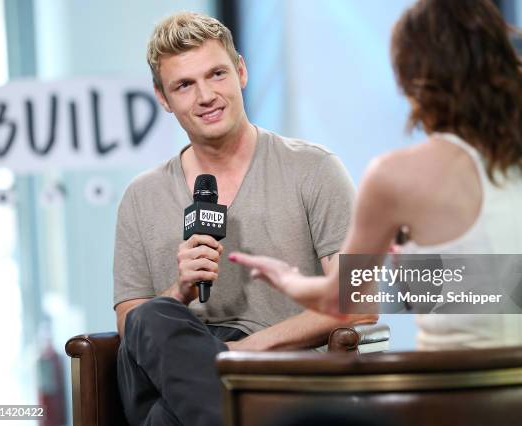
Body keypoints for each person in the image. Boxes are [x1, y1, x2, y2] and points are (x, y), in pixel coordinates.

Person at [231, 0, 522, 348]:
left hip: (455, 399)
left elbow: (341, 301)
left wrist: (287, 279)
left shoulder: (394, 174)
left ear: (414, 79)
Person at [113, 11, 376, 426]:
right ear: (163, 98)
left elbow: (359, 301)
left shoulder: (314, 169)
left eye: (216, 74)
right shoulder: (140, 196)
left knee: (165, 421)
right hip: (173, 374)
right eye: (184, 85)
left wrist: (237, 354)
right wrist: (179, 290)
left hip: (277, 374)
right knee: (151, 315)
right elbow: (133, 324)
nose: (206, 96)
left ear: (241, 71)